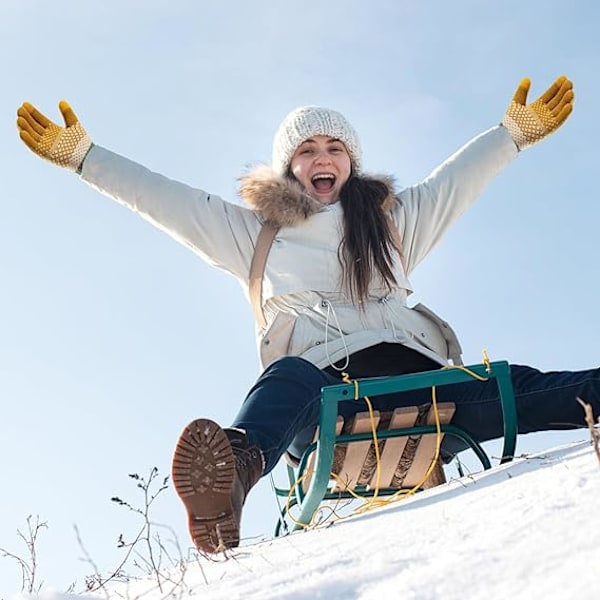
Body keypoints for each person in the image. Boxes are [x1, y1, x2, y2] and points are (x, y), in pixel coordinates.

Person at [16, 75, 598, 555]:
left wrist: (511, 136)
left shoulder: (392, 223)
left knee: (521, 385)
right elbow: (164, 199)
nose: (323, 159)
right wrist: (85, 158)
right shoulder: (254, 233)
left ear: (351, 162)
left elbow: (456, 183)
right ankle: (232, 476)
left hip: (422, 389)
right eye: (307, 150)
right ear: (288, 167)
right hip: (325, 400)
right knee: (286, 377)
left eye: (335, 148)